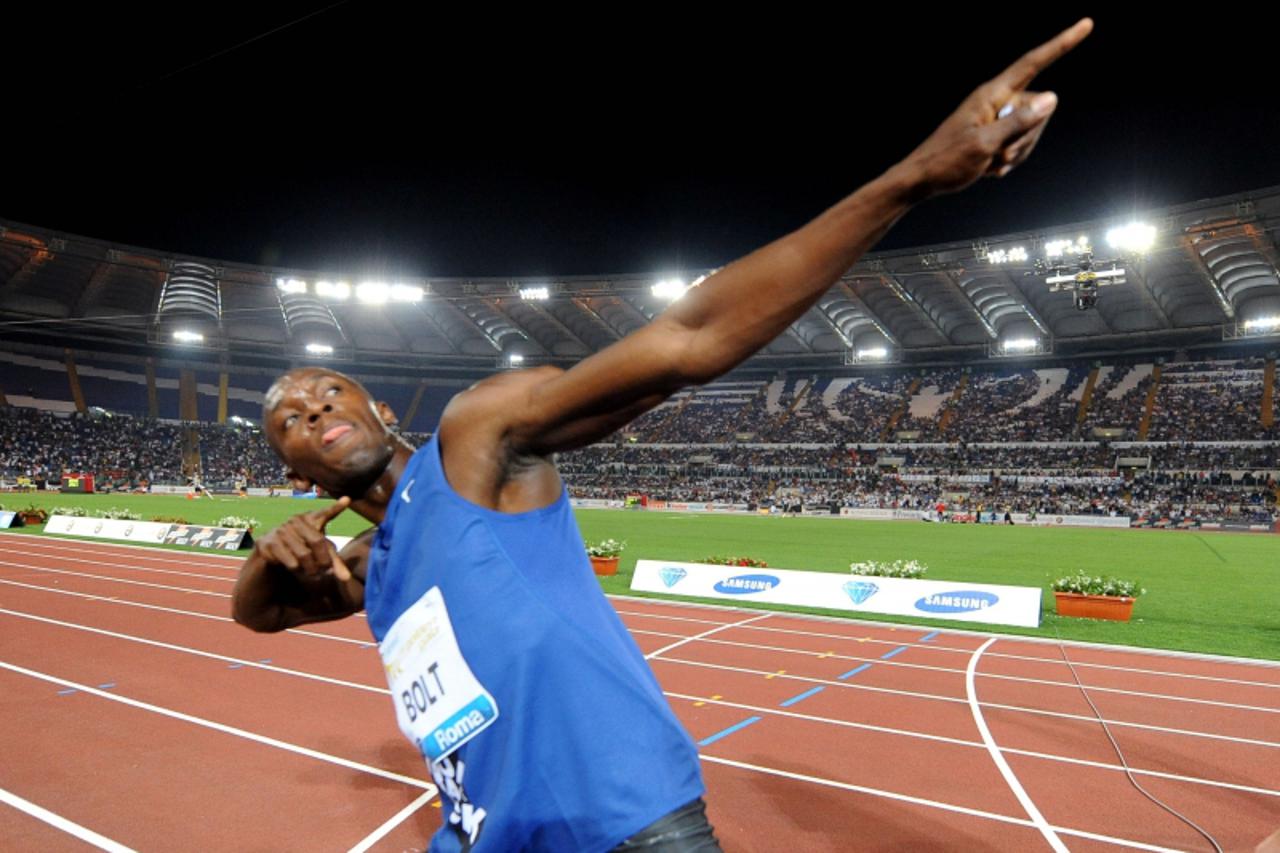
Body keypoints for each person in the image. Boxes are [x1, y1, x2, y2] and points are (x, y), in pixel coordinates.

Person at [231, 19, 1092, 852]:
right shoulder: (376, 565)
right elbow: (258, 616)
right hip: (490, 835)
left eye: (329, 390)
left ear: (382, 409)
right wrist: (265, 559)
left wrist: (911, 179)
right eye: (290, 420)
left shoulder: (475, 442)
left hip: (624, 822)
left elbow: (684, 341)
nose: (314, 409)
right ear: (298, 474)